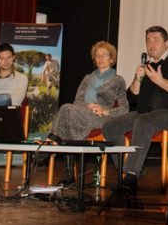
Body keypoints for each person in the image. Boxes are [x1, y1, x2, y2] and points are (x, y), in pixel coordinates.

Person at [102, 26, 168, 193]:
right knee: (109, 127)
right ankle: (129, 168)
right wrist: (137, 79)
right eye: (148, 40)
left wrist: (159, 80)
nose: (151, 44)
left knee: (143, 122)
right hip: (144, 113)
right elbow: (132, 97)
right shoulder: (146, 65)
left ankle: (131, 175)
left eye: (156, 40)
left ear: (167, 43)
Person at [51, 41, 128, 184]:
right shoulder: (88, 78)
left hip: (101, 117)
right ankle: (69, 169)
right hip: (83, 113)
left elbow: (124, 108)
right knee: (68, 112)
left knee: (66, 109)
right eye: (97, 56)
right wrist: (88, 105)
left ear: (112, 59)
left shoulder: (118, 80)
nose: (100, 58)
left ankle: (56, 139)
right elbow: (77, 101)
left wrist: (104, 110)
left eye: (104, 55)